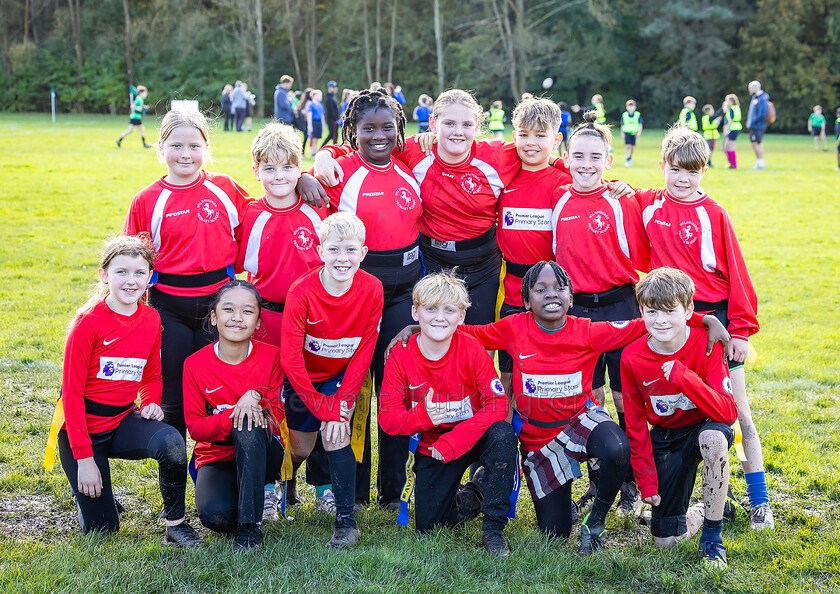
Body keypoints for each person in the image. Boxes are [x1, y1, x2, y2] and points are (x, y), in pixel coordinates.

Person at [389, 262, 727, 554]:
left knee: (615, 446)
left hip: (581, 421)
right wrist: (417, 327)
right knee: (554, 534)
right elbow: (465, 330)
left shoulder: (590, 332)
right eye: (541, 288)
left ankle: (596, 521)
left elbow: (654, 319)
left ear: (570, 298)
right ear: (525, 300)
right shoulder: (511, 328)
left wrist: (703, 319)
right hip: (540, 442)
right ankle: (542, 502)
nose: (551, 294)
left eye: (559, 288)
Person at [634, 126, 775, 530]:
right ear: (661, 166)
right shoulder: (647, 204)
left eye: (693, 172)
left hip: (714, 323)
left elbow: (738, 276)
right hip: (670, 320)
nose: (683, 179)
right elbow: (606, 186)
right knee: (675, 409)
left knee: (739, 414)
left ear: (704, 172)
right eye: (676, 170)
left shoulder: (714, 214)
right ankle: (702, 494)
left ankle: (760, 501)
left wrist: (742, 332)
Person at [316, 89, 551, 326]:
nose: (458, 132)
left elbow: (536, 151)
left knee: (480, 342)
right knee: (435, 340)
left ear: (477, 126)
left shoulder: (498, 155)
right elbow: (370, 143)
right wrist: (325, 154)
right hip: (432, 262)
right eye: (449, 123)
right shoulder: (415, 150)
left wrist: (563, 162)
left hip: (483, 266)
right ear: (433, 124)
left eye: (466, 124)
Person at [50, 236, 202, 547]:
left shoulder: (150, 318)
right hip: (82, 432)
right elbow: (72, 397)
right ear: (104, 275)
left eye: (139, 273)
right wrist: (85, 460)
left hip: (121, 421)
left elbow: (152, 375)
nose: (131, 282)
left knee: (171, 441)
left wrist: (150, 403)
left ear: (150, 276)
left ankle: (175, 523)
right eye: (121, 272)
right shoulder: (87, 323)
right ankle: (88, 490)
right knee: (104, 531)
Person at [313, 88, 422, 510]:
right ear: (352, 133)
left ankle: (391, 492)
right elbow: (314, 183)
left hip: (403, 293)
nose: (379, 136)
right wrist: (318, 160)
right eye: (368, 129)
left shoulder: (409, 163)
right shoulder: (340, 171)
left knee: (394, 388)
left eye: (387, 128)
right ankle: (353, 490)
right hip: (359, 292)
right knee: (355, 389)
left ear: (398, 131)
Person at [123, 109, 250, 439]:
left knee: (220, 395)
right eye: (176, 146)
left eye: (194, 146)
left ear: (206, 148)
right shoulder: (147, 200)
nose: (185, 154)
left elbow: (264, 216)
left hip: (220, 306)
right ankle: (176, 479)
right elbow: (130, 262)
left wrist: (304, 178)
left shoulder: (225, 188)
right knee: (173, 401)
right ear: (161, 147)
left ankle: (220, 474)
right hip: (169, 308)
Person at [550, 111, 650, 515]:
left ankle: (632, 480)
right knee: (588, 399)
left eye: (596, 157)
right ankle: (598, 479)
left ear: (609, 160)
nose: (586, 164)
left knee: (628, 397)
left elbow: (663, 202)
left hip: (620, 305)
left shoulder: (623, 199)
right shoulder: (557, 197)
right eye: (578, 156)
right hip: (579, 316)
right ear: (567, 157)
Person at [379, 272, 516, 556]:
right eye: (431, 309)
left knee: (503, 434)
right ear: (415, 312)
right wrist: (424, 417)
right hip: (434, 446)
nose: (439, 318)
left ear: (461, 316)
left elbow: (497, 405)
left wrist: (454, 442)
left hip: (472, 436)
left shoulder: (472, 349)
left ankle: (494, 529)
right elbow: (388, 420)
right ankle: (476, 490)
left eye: (449, 310)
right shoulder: (400, 357)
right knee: (431, 525)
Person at [621, 267, 737, 568]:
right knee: (665, 543)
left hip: (704, 426)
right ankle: (707, 509)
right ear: (641, 311)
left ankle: (712, 540)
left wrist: (684, 377)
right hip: (668, 438)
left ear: (688, 311)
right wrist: (646, 481)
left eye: (670, 311)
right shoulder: (632, 357)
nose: (660, 320)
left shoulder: (707, 342)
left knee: (713, 439)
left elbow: (727, 412)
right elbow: (634, 425)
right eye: (651, 312)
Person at [280, 212, 384, 548]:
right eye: (334, 250)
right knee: (301, 447)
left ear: (363, 253)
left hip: (341, 376)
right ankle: (285, 480)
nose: (343, 258)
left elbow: (364, 351)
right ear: (320, 250)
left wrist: (339, 406)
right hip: (304, 378)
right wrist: (318, 404)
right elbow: (291, 358)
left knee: (336, 432)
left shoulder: (373, 288)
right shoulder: (302, 291)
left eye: (351, 250)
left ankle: (345, 522)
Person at [183, 281, 285, 550]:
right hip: (217, 455)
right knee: (217, 518)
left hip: (262, 450)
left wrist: (254, 395)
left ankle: (250, 527)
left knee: (249, 424)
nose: (237, 318)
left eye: (248, 312)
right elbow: (196, 428)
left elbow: (276, 415)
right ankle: (243, 500)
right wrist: (233, 413)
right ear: (214, 317)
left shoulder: (272, 357)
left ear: (258, 322)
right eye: (228, 310)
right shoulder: (194, 365)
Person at [746, 80, 769, 169]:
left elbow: (763, 113)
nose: (749, 90)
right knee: (754, 143)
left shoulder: (762, 98)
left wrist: (754, 122)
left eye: (750, 88)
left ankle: (761, 162)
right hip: (753, 126)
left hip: (758, 126)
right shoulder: (755, 98)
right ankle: (758, 161)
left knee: (757, 143)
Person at [721, 94, 742, 169]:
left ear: (731, 101)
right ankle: (731, 163)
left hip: (733, 128)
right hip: (735, 128)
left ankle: (733, 164)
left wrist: (726, 130)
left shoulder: (732, 108)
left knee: (730, 147)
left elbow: (731, 120)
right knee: (726, 147)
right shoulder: (736, 107)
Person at [620, 100, 643, 166]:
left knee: (632, 147)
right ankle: (628, 159)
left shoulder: (637, 114)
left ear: (635, 107)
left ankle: (630, 158)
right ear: (627, 107)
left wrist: (639, 132)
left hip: (634, 133)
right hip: (627, 133)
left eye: (632, 106)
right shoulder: (624, 115)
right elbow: (622, 125)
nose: (631, 108)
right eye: (629, 106)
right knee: (628, 146)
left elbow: (640, 124)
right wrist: (622, 133)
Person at [321, 81, 341, 149]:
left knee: (333, 135)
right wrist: (335, 119)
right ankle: (324, 148)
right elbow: (330, 110)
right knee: (333, 135)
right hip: (332, 119)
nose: (335, 89)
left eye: (335, 87)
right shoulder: (328, 97)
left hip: (334, 119)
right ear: (329, 88)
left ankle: (332, 148)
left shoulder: (332, 96)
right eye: (333, 87)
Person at [306, 89, 324, 158]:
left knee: (317, 138)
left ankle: (315, 151)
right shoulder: (311, 104)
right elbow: (309, 115)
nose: (320, 97)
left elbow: (322, 116)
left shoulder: (320, 105)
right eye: (319, 95)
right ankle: (312, 152)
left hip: (319, 122)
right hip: (313, 122)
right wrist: (310, 126)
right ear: (315, 96)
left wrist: (322, 125)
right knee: (313, 138)